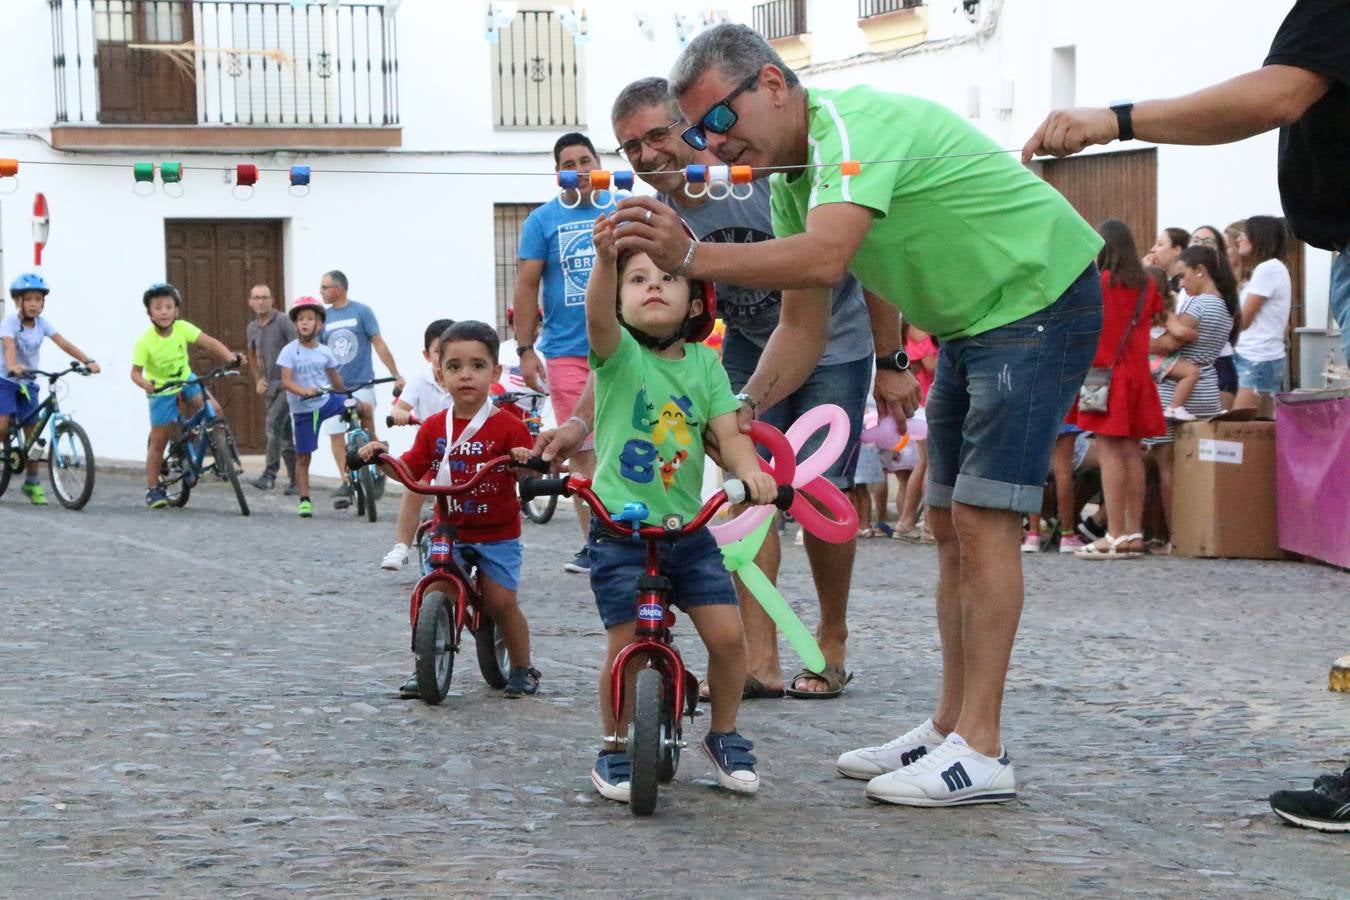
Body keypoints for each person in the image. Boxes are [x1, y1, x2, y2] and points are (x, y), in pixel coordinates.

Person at [609, 25, 1103, 807]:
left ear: (772, 85)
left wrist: (691, 257)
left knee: (980, 520)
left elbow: (826, 259)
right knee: (945, 523)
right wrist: (734, 414)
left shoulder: (848, 127)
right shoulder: (790, 179)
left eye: (716, 120)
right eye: (701, 130)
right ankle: (951, 725)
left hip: (1039, 299)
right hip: (973, 322)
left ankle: (984, 745)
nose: (713, 142)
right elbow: (801, 328)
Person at [611, 76, 876, 699]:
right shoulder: (662, 216)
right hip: (749, 346)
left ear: (694, 125)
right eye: (629, 147)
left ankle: (830, 639)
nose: (647, 156)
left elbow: (865, 258)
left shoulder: (755, 178)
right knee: (744, 490)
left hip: (836, 342)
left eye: (657, 135)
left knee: (821, 495)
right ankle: (761, 660)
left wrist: (891, 360)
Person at [584, 212, 778, 804]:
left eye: (668, 277)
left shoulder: (706, 365)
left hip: (685, 529)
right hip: (620, 528)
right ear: (619, 300)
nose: (653, 286)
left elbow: (730, 433)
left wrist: (748, 471)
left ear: (695, 302)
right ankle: (616, 744)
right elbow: (594, 318)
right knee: (623, 642)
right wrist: (604, 261)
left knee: (726, 636)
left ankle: (724, 734)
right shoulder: (617, 358)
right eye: (636, 279)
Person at [355, 321, 541, 700]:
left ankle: (523, 666)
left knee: (502, 602)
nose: (465, 375)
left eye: (477, 366)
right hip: (448, 527)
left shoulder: (509, 426)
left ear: (496, 372)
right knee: (435, 590)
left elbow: (529, 470)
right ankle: (423, 663)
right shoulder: (435, 426)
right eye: (454, 367)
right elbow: (410, 468)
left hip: (497, 531)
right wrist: (380, 456)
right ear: (440, 374)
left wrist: (525, 458)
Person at [513, 133, 605, 575]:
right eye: (569, 163)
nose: (580, 168)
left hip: (624, 350)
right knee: (582, 446)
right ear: (558, 174)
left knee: (631, 443)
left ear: (599, 162)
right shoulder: (542, 221)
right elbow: (527, 285)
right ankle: (595, 544)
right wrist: (525, 349)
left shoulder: (622, 210)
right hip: (567, 352)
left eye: (586, 159)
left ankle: (639, 531)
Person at [1068, 221, 1167, 560]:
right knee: (1132, 453)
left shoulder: (1102, 284)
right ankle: (1134, 533)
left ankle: (1114, 533)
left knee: (1110, 453)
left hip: (1106, 376)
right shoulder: (1147, 284)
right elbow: (1157, 321)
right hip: (1139, 375)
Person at [1147, 246, 1238, 540]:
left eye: (1184, 276)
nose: (1182, 284)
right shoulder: (1226, 306)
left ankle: (1178, 537)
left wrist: (1135, 345)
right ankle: (1204, 532)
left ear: (1201, 270)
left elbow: (1167, 345)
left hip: (1172, 390)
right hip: (1207, 387)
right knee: (1199, 469)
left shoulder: (1198, 307)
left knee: (1168, 468)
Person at [131, 283, 242, 509]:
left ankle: (221, 457)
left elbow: (209, 342)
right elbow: (135, 373)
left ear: (176, 311)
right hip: (162, 390)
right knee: (159, 441)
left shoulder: (182, 328)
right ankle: (153, 488)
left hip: (186, 379)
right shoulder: (145, 341)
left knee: (215, 410)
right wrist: (145, 384)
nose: (164, 312)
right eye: (158, 307)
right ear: (149, 313)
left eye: (169, 307)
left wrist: (229, 356)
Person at [1, 273, 100, 505]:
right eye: (29, 299)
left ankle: (32, 482)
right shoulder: (9, 323)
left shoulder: (42, 324)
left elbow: (63, 343)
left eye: (38, 299)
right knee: (2, 426)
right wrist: (14, 365)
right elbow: (8, 346)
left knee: (33, 434)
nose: (35, 304)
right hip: (5, 380)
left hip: (28, 381)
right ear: (18, 302)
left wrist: (87, 360)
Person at [278, 296, 372, 518]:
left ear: (319, 324)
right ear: (295, 324)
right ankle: (304, 499)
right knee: (304, 457)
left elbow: (335, 379)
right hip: (304, 410)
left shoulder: (325, 351)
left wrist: (348, 394)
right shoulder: (289, 351)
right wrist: (303, 391)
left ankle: (373, 450)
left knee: (364, 408)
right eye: (301, 319)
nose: (305, 323)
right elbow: (287, 381)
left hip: (327, 401)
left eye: (310, 319)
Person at [318, 270, 404, 508]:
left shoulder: (362, 312)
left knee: (368, 427)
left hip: (362, 383)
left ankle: (379, 469)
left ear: (339, 289)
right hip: (334, 388)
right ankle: (345, 479)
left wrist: (396, 374)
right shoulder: (322, 318)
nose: (321, 292)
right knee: (335, 433)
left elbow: (378, 343)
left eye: (325, 287)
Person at [381, 318, 455, 571]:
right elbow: (401, 406)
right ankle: (401, 546)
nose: (445, 357)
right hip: (430, 452)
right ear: (427, 355)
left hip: (463, 452)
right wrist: (401, 412)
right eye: (438, 351)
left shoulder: (464, 380)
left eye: (452, 352)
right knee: (414, 487)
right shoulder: (420, 380)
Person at [1233, 215, 1293, 416]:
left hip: (1257, 357)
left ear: (1258, 237)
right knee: (1259, 427)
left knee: (1244, 428)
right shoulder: (1270, 269)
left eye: (1245, 233)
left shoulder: (1268, 269)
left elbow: (1244, 319)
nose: (1239, 238)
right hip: (1257, 357)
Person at [245, 284, 297, 495]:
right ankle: (296, 481)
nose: (260, 301)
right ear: (250, 301)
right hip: (269, 388)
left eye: (264, 297)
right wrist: (258, 379)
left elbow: (297, 348)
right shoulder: (252, 327)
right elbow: (251, 354)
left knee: (272, 423)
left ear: (272, 299)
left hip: (287, 384)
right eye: (256, 297)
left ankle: (269, 474)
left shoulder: (283, 321)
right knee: (284, 435)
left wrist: (290, 378)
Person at [890, 322, 937, 544]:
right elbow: (931, 365)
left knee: (924, 464)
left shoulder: (914, 324)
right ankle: (928, 525)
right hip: (927, 404)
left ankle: (907, 522)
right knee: (931, 464)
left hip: (923, 405)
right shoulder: (919, 328)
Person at [1189, 225, 1240, 407]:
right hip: (1193, 367)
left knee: (1213, 433)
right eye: (1195, 240)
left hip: (1217, 367)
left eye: (1207, 241)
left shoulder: (1221, 288)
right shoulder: (1183, 284)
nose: (1200, 245)